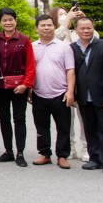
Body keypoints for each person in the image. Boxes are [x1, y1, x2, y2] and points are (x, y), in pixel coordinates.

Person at [71, 16, 103, 177]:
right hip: (83, 97)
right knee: (89, 128)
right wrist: (75, 94)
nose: (86, 31)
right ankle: (95, 158)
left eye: (89, 28)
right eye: (82, 28)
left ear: (93, 29)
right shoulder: (72, 48)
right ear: (76, 30)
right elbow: (73, 73)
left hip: (102, 96)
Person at [31, 14, 75, 169]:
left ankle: (62, 155)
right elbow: (29, 70)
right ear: (36, 28)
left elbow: (70, 70)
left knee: (63, 126)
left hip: (60, 94)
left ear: (54, 27)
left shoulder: (64, 47)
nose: (46, 28)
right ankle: (44, 154)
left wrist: (70, 92)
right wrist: (29, 89)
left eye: (49, 25)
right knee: (41, 126)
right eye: (42, 25)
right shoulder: (32, 46)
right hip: (39, 93)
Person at [0, 7, 36, 167]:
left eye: (10, 19)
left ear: (15, 21)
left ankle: (20, 153)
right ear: (0, 22)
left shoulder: (24, 41)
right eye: (4, 20)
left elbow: (31, 65)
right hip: (0, 87)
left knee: (19, 119)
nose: (8, 22)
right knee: (3, 119)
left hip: (19, 88)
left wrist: (26, 85)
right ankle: (8, 151)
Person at [51, 4, 88, 162]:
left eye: (66, 13)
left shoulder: (75, 32)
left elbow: (94, 38)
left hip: (81, 80)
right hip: (62, 81)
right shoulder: (57, 32)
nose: (66, 16)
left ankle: (86, 147)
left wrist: (82, 21)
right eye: (60, 14)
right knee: (67, 118)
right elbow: (54, 38)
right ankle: (70, 147)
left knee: (83, 116)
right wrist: (65, 23)